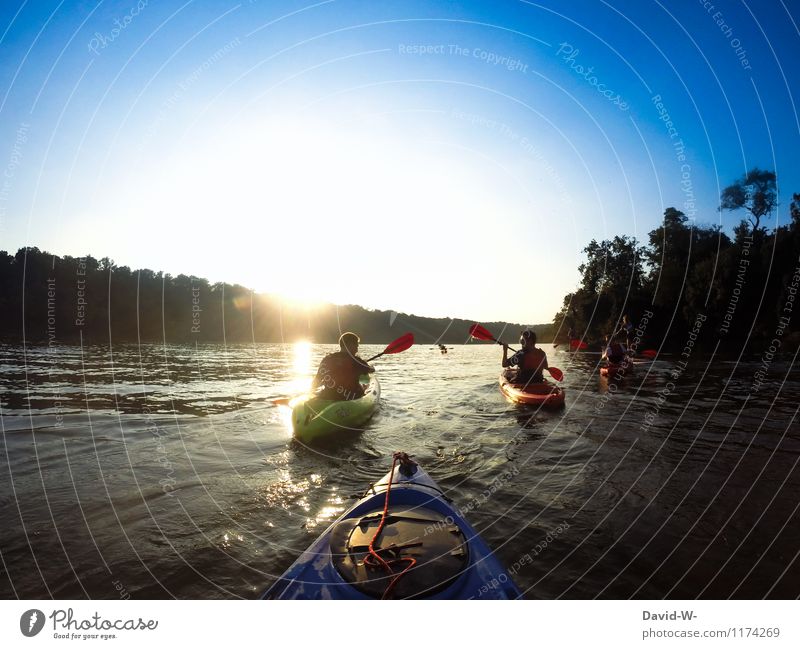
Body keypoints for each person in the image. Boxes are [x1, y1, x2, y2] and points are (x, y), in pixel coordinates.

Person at [311, 332, 374, 401]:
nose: (357, 349)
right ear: (350, 345)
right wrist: (370, 366)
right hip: (351, 397)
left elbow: (316, 381)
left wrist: (311, 393)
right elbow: (371, 370)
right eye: (356, 345)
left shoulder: (327, 359)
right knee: (365, 387)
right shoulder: (356, 361)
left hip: (327, 396)